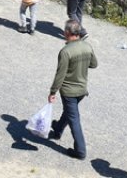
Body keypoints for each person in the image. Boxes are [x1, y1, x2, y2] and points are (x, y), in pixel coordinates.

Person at [47, 19, 97, 160]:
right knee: (69, 112)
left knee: (74, 119)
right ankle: (57, 129)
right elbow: (94, 64)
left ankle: (80, 151)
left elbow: (60, 75)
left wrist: (52, 92)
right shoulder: (87, 46)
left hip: (69, 91)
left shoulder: (65, 51)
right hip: (82, 90)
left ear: (67, 32)